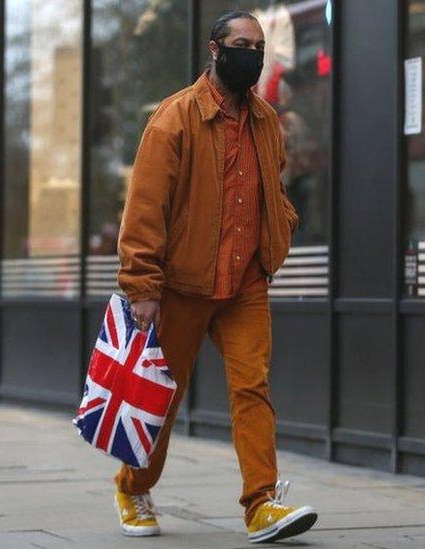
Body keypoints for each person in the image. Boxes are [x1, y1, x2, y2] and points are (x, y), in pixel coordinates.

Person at [113, 9, 315, 544]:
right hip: (181, 283)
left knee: (253, 386)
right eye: (241, 43)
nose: (252, 53)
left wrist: (280, 232)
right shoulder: (174, 119)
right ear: (215, 49)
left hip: (246, 282)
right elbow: (145, 208)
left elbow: (275, 189)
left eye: (259, 45)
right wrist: (142, 287)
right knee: (162, 395)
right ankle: (133, 485)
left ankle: (261, 504)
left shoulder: (267, 120)